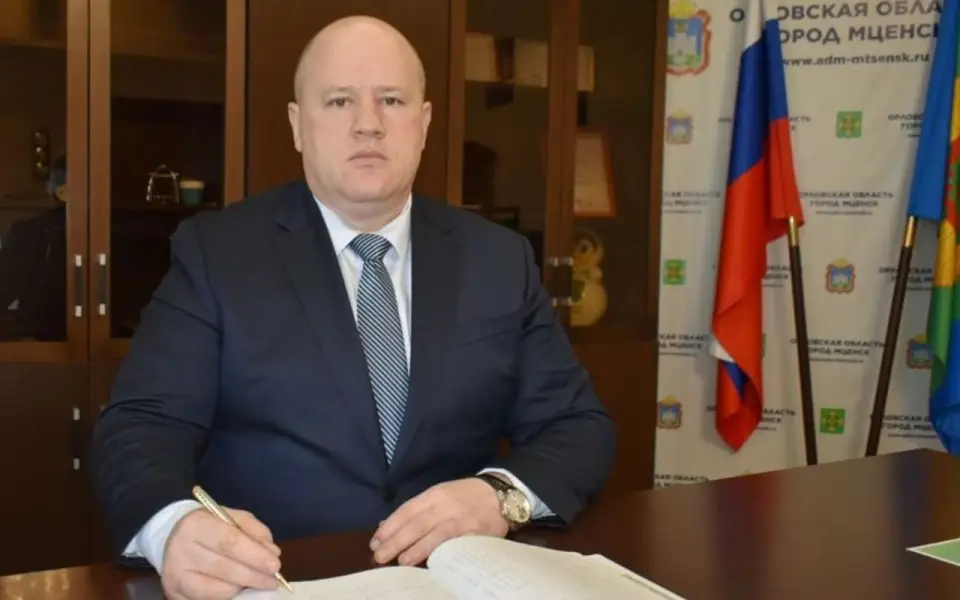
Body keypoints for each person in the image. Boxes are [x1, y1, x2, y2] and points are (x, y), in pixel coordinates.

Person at [90, 15, 615, 600]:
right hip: (278, 580)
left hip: (449, 582)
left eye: (391, 100)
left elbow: (578, 426)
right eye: (340, 101)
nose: (368, 124)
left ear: (424, 123)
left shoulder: (497, 259)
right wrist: (172, 528)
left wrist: (500, 496)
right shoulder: (218, 253)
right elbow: (143, 425)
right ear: (298, 125)